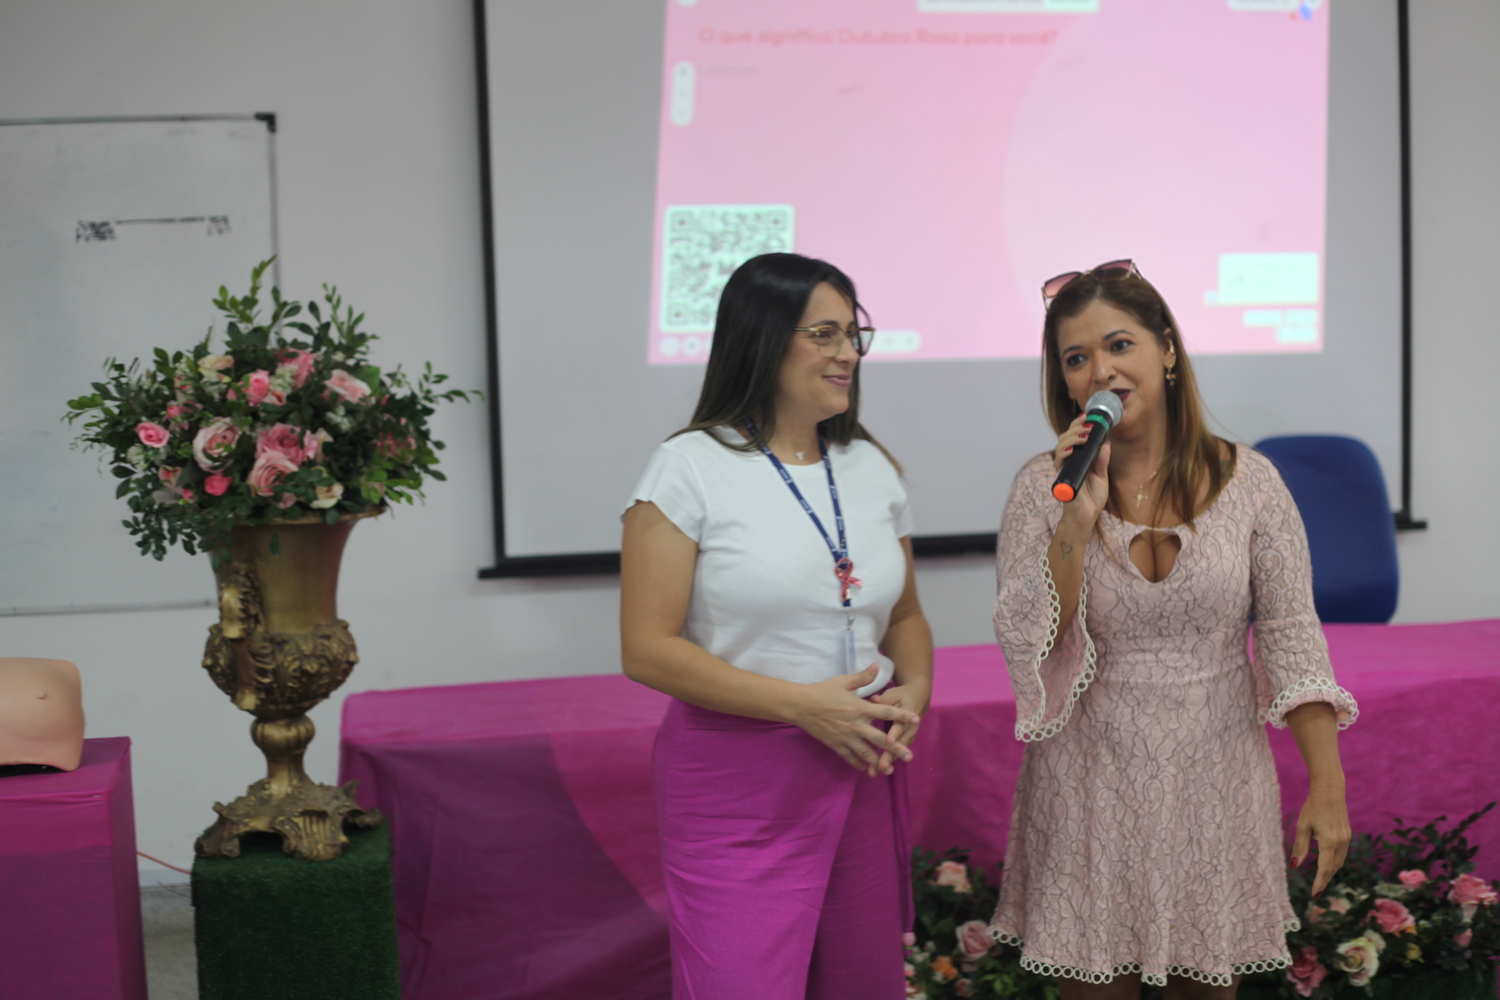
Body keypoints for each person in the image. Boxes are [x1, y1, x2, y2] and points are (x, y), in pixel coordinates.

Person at [988, 261, 1358, 1000]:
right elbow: (1035, 637)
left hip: (1216, 778)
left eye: (1119, 344)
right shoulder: (1043, 486)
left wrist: (1328, 781)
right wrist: (1077, 518)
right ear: (1062, 381)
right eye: (1076, 357)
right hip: (1089, 781)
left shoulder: (1251, 481)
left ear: (1165, 349)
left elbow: (1290, 634)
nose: (1102, 369)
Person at [620, 252, 934, 1000]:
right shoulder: (688, 467)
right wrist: (804, 706)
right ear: (762, 339)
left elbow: (908, 617)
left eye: (854, 333)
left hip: (858, 764)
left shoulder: (869, 467)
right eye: (823, 334)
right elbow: (647, 650)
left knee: (860, 985)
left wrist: (914, 691)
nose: (848, 353)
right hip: (737, 780)